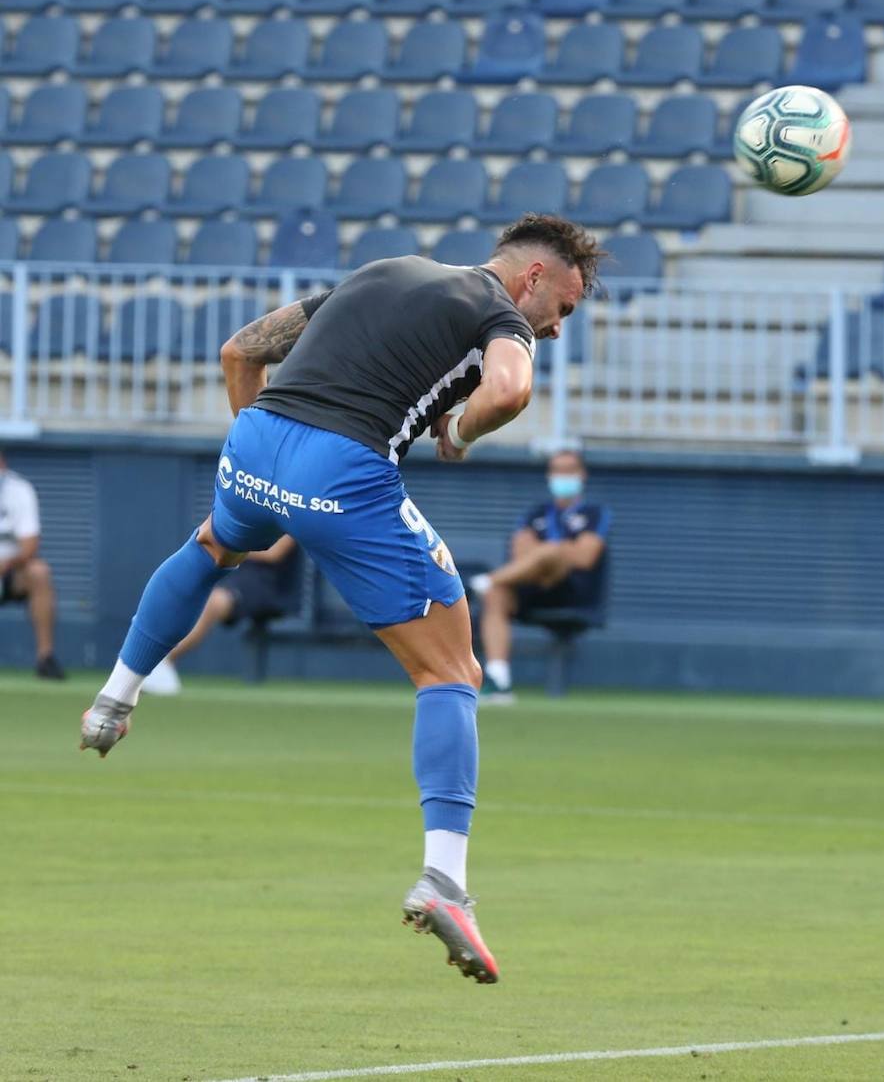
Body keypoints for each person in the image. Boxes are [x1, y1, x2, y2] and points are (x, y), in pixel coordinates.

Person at [79, 213, 602, 985]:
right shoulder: (499, 315)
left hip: (257, 439)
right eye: (561, 310)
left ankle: (111, 703)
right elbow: (511, 389)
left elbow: (241, 351)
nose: (556, 329)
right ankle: (445, 879)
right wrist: (461, 426)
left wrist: (268, 476)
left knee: (210, 546)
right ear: (533, 280)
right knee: (452, 671)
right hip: (342, 467)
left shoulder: (382, 270)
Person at [470, 448, 610, 703]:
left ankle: (489, 579)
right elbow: (520, 553)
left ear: (582, 474)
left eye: (569, 470)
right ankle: (499, 681)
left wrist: (551, 552)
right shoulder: (535, 514)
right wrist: (560, 551)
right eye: (557, 470)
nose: (562, 476)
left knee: (549, 552)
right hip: (532, 587)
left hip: (573, 592)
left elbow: (585, 557)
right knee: (496, 594)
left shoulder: (594, 514)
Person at [140, 535, 301, 696]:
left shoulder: (290, 515)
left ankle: (163, 661)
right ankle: (157, 662)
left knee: (216, 601)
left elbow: (274, 553)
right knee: (192, 594)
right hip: (237, 578)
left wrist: (230, 548)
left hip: (271, 589)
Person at [0, 453, 64, 679]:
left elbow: (30, 544)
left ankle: (45, 658)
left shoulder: (19, 490)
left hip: (10, 571)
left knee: (39, 572)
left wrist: (8, 562)